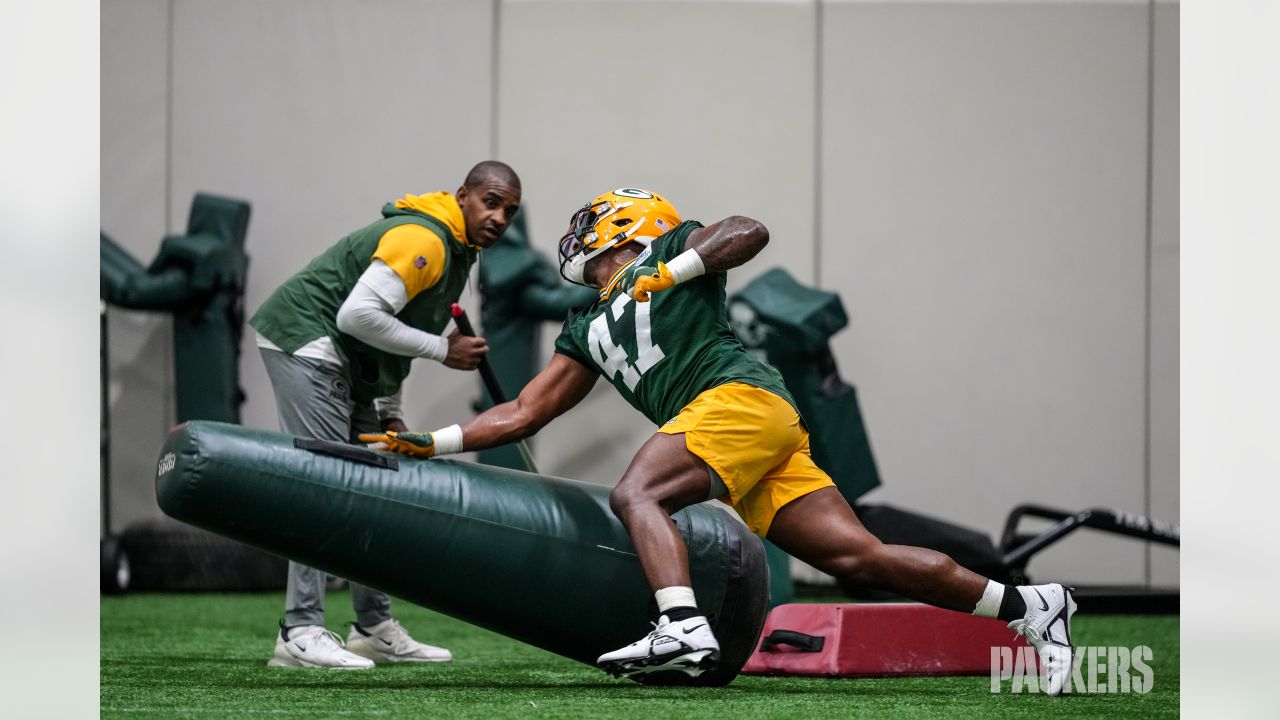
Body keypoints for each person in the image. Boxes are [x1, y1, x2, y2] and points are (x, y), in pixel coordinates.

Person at [359, 187, 1077, 695]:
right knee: (863, 557)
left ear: (623, 225)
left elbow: (746, 230)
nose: (577, 241)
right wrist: (433, 441)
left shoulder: (669, 254)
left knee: (636, 491)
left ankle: (681, 627)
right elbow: (521, 412)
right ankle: (1029, 607)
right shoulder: (586, 325)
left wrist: (673, 269)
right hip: (747, 431)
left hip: (737, 402)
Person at [249, 161, 522, 670]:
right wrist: (445, 350)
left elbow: (394, 334)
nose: (500, 216)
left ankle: (371, 627)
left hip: (353, 363)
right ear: (463, 196)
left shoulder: (459, 254)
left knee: (373, 487)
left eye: (509, 209)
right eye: (491, 201)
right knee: (324, 483)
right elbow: (357, 315)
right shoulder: (427, 239)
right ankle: (299, 629)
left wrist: (390, 411)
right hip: (306, 342)